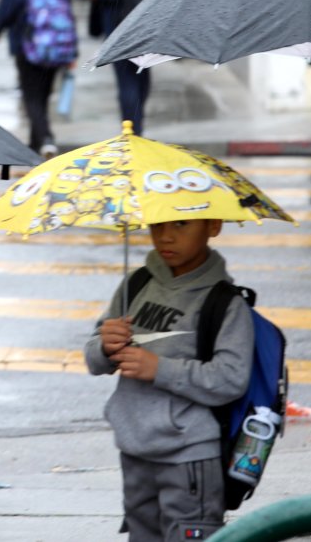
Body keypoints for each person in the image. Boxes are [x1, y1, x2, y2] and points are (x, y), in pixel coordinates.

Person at [84, 219, 254, 541]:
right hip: (134, 448)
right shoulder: (137, 284)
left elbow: (231, 378)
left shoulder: (224, 302)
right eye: (157, 225)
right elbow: (94, 359)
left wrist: (159, 369)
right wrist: (105, 346)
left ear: (213, 226)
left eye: (181, 224)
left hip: (188, 454)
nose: (166, 236)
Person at [0, 0, 77, 159]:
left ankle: (46, 138)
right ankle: (35, 144)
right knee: (43, 95)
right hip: (56, 50)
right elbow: (69, 17)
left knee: (32, 97)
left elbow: (5, 12)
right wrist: (72, 52)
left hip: (27, 49)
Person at [86, 0, 171, 136]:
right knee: (143, 70)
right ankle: (137, 123)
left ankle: (132, 131)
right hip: (146, 18)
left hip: (115, 21)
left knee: (126, 77)